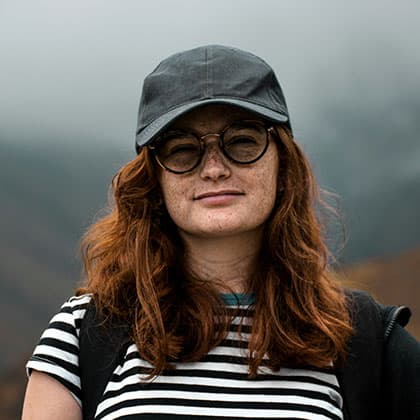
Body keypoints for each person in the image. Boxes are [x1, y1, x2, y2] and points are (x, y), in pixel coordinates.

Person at [22, 45, 420, 420]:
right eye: (183, 149)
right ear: (154, 180)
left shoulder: (364, 340)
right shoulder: (84, 333)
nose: (214, 168)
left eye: (242, 142)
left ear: (283, 166)